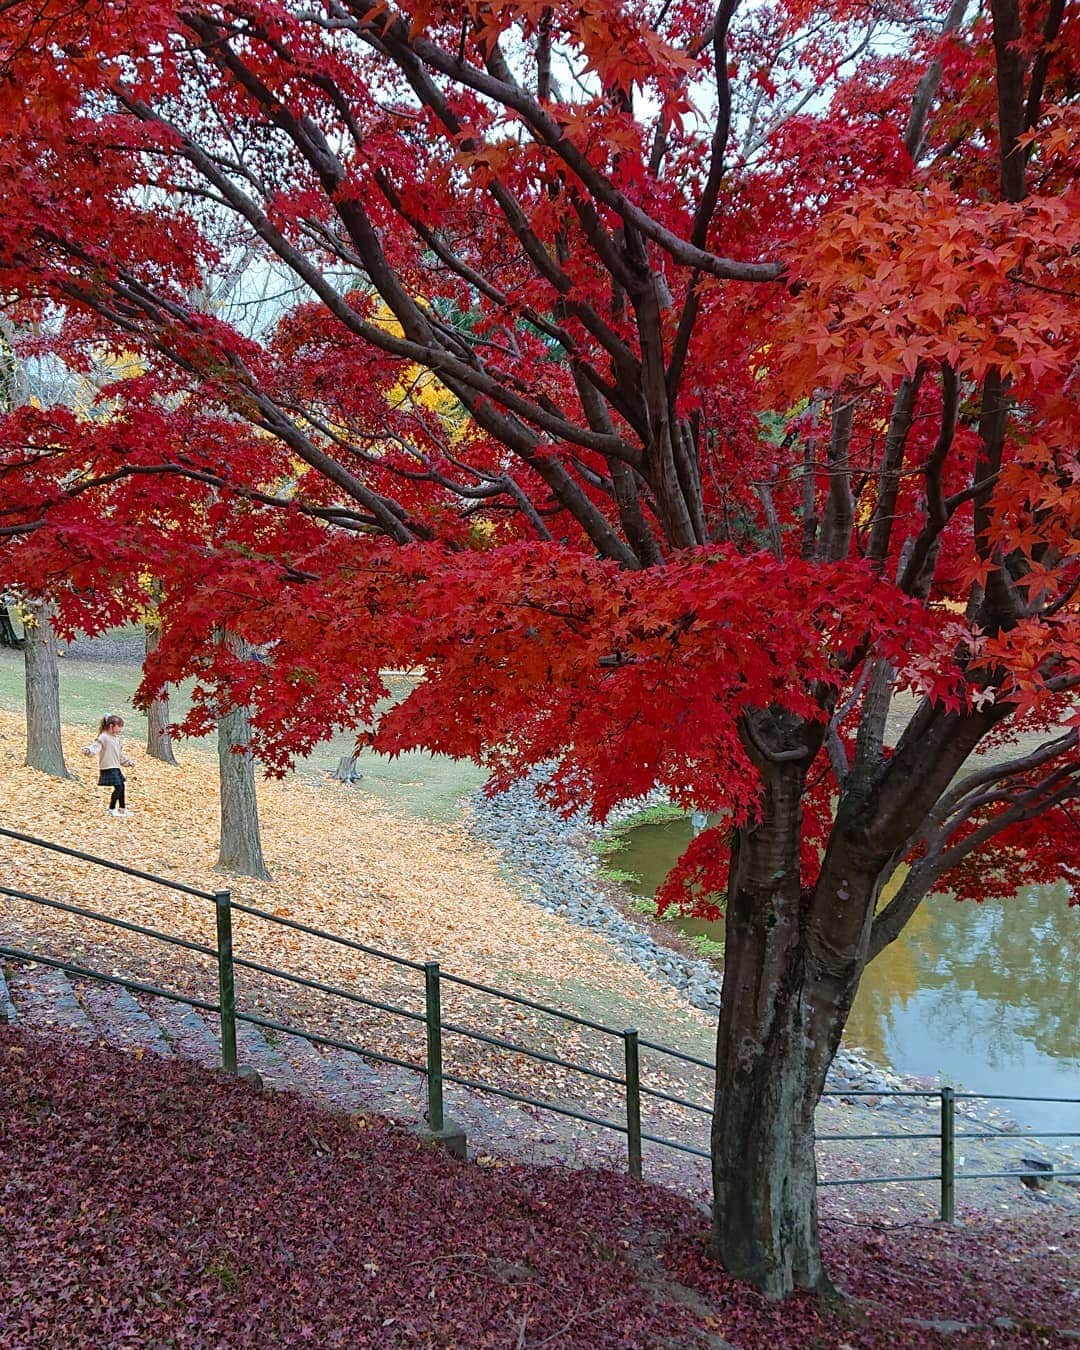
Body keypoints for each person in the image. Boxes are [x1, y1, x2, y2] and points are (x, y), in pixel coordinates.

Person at [83, 714, 135, 815]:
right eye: (119, 726)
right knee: (119, 787)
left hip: (115, 767)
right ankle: (111, 809)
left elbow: (120, 755)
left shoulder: (117, 739)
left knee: (122, 787)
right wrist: (88, 750)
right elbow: (95, 747)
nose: (121, 728)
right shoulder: (103, 737)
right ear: (111, 726)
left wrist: (129, 762)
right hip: (108, 767)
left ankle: (122, 808)